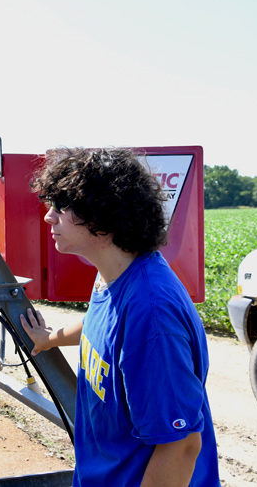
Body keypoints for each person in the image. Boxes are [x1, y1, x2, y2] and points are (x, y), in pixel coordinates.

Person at [21, 147, 220, 486]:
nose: (48, 217)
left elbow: (182, 445)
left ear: (102, 219)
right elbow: (102, 325)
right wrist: (50, 339)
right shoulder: (114, 275)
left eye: (61, 207)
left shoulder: (152, 314)